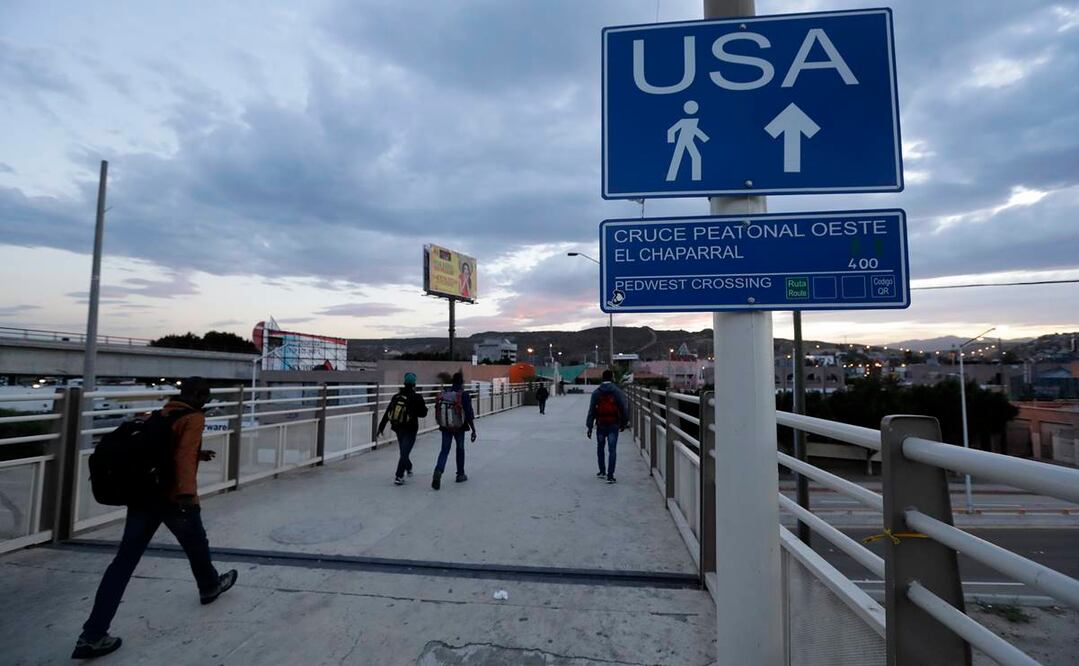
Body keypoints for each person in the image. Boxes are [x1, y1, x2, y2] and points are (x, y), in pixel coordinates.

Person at [72, 377, 237, 659]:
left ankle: (93, 634)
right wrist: (188, 496)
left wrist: (200, 454)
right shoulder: (194, 418)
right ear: (198, 396)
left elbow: (167, 452)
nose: (206, 400)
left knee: (123, 563)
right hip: (172, 498)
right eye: (205, 396)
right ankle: (209, 586)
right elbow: (183, 456)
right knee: (196, 543)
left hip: (143, 497)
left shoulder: (164, 413)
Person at [377, 372, 429, 485]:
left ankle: (409, 467)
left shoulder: (396, 397)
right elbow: (423, 413)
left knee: (404, 451)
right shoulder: (417, 397)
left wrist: (381, 427)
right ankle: (399, 476)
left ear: (404, 383)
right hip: (411, 428)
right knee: (405, 452)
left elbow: (387, 412)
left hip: (398, 427)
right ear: (414, 384)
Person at [432, 372, 476, 490]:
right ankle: (460, 474)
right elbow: (469, 413)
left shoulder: (446, 392)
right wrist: (473, 430)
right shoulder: (463, 395)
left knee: (444, 450)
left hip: (445, 426)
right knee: (460, 449)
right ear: (461, 382)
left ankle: (438, 470)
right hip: (459, 427)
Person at [586, 370, 629, 484]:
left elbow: (591, 410)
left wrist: (589, 427)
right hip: (613, 424)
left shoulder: (597, 392)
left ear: (602, 378)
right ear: (612, 377)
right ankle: (610, 475)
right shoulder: (617, 391)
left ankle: (602, 471)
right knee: (612, 449)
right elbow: (623, 408)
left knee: (600, 448)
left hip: (601, 423)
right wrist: (624, 423)